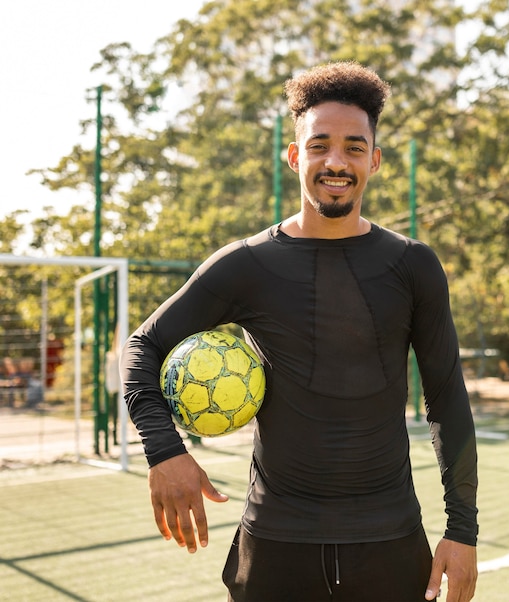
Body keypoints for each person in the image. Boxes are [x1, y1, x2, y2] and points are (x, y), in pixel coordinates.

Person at [121, 61, 478, 602]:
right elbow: (142, 345)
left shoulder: (413, 266)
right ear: (295, 155)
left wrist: (463, 528)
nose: (337, 161)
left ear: (375, 160)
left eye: (355, 147)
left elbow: (447, 398)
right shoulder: (246, 264)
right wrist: (164, 451)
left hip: (390, 542)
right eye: (320, 145)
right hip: (273, 547)